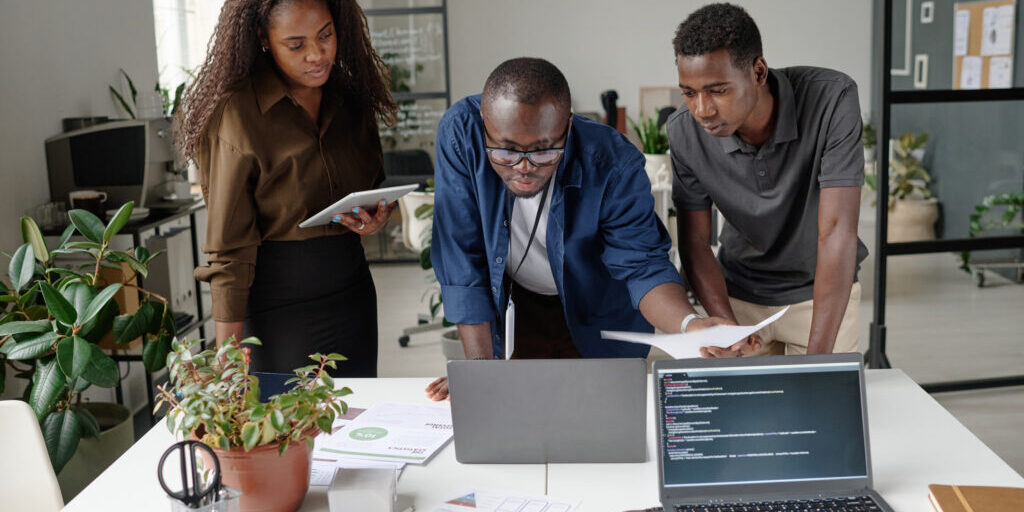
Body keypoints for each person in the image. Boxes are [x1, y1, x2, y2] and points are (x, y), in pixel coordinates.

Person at [425, 58, 727, 401]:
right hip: (517, 306)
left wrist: (690, 326)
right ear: (484, 125)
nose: (524, 168)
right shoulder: (461, 133)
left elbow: (641, 265)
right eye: (506, 151)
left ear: (568, 127)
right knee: (517, 416)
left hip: (597, 309)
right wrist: (478, 368)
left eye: (543, 151)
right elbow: (461, 255)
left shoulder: (613, 162)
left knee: (599, 422)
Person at [176, 0, 398, 376]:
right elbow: (229, 250)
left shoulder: (350, 100)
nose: (317, 54)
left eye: (326, 35)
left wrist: (375, 218)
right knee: (289, 428)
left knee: (358, 421)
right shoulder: (237, 114)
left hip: (353, 294)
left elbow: (372, 185)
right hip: (277, 309)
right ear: (264, 38)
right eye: (296, 45)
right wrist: (228, 360)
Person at [668, 3, 868, 358]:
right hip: (737, 293)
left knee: (820, 406)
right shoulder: (684, 131)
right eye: (689, 92)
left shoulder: (832, 99)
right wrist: (728, 328)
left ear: (758, 72)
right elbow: (696, 241)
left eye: (717, 90)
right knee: (739, 410)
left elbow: (837, 231)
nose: (702, 110)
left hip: (820, 297)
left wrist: (818, 360)